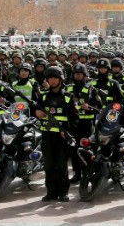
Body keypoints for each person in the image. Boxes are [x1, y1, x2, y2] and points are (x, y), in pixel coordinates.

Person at [36, 66, 79, 202]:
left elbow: (75, 118)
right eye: (50, 78)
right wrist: (36, 113)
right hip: (47, 136)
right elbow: (34, 109)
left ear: (60, 79)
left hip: (61, 138)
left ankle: (63, 192)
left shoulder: (68, 97)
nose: (52, 81)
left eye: (55, 78)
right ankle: (51, 192)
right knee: (49, 165)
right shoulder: (42, 96)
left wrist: (67, 131)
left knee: (61, 165)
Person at [66, 63, 104, 183]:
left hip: (86, 124)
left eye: (80, 74)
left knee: (87, 150)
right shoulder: (68, 88)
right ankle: (77, 174)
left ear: (85, 75)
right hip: (73, 124)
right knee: (73, 150)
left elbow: (100, 106)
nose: (78, 76)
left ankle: (89, 172)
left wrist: (90, 107)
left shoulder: (91, 89)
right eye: (76, 74)